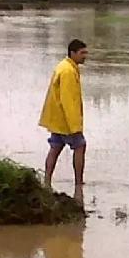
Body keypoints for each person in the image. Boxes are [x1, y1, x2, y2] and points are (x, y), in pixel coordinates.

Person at [39, 39, 88, 201]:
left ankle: (46, 181)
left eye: (85, 53)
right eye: (82, 53)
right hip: (66, 121)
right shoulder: (68, 71)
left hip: (57, 120)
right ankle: (78, 184)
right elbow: (69, 100)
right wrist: (75, 126)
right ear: (72, 53)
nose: (85, 56)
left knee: (55, 148)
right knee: (80, 146)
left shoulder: (65, 66)